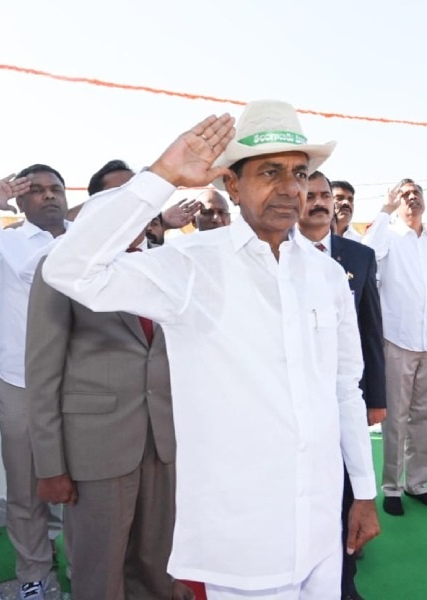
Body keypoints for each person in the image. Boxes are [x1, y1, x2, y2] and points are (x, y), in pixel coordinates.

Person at [43, 100, 379, 599]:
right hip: (243, 541)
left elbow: (344, 388)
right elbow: (68, 269)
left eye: (300, 173)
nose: (291, 188)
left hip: (320, 525)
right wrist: (161, 177)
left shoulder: (327, 275)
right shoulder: (190, 265)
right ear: (232, 185)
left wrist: (364, 493)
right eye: (270, 172)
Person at [27, 199, 194, 599]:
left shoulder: (166, 267)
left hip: (163, 441)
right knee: (99, 567)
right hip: (96, 447)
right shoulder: (60, 269)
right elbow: (43, 375)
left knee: (157, 563)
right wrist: (50, 466)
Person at [0, 164, 71, 598]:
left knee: (88, 480)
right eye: (37, 190)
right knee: (27, 484)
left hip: (84, 379)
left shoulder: (88, 239)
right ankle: (33, 574)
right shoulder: (2, 242)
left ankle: (86, 566)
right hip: (20, 381)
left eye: (56, 189)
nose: (49, 195)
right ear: (19, 200)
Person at [298, 171, 386, 600]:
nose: (318, 202)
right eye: (310, 195)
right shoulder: (275, 254)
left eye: (324, 196)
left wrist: (377, 398)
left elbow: (370, 330)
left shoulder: (358, 256)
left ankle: (344, 583)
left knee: (347, 490)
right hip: (296, 404)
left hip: (343, 398)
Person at [360, 178, 427, 517]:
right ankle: (392, 487)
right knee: (396, 419)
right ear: (396, 202)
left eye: (416, 193)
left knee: (425, 416)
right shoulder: (387, 236)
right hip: (397, 340)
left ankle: (418, 484)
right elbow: (367, 252)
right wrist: (385, 210)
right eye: (405, 194)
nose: (412, 198)